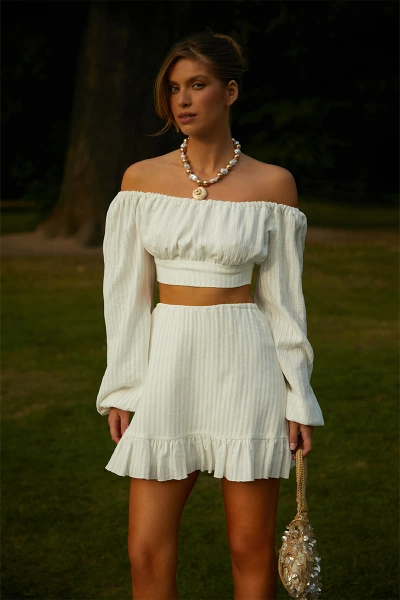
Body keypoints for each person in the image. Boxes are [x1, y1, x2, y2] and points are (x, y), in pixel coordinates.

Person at [96, 31, 324, 600]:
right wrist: (123, 386)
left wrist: (297, 394)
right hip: (168, 364)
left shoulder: (274, 186)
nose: (183, 99)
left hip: (246, 366)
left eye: (197, 85)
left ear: (231, 91)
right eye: (174, 88)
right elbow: (124, 296)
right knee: (146, 548)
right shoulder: (140, 181)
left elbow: (284, 303)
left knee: (250, 548)